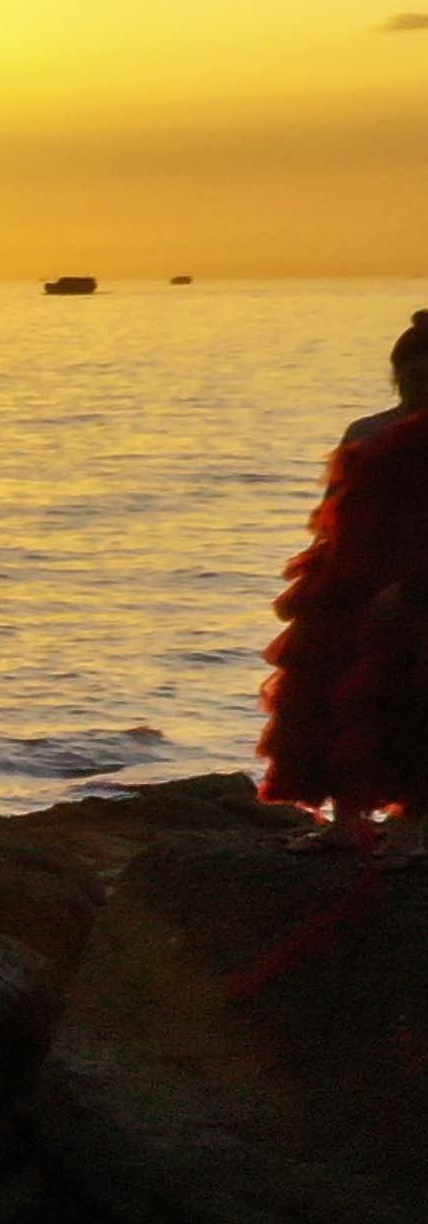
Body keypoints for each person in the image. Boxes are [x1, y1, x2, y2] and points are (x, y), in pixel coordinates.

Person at [266, 311, 428, 858]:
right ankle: (345, 823)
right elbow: (336, 506)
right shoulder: (367, 430)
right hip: (351, 577)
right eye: (409, 373)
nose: (416, 384)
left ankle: (413, 830)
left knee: (406, 704)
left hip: (415, 585)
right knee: (325, 700)